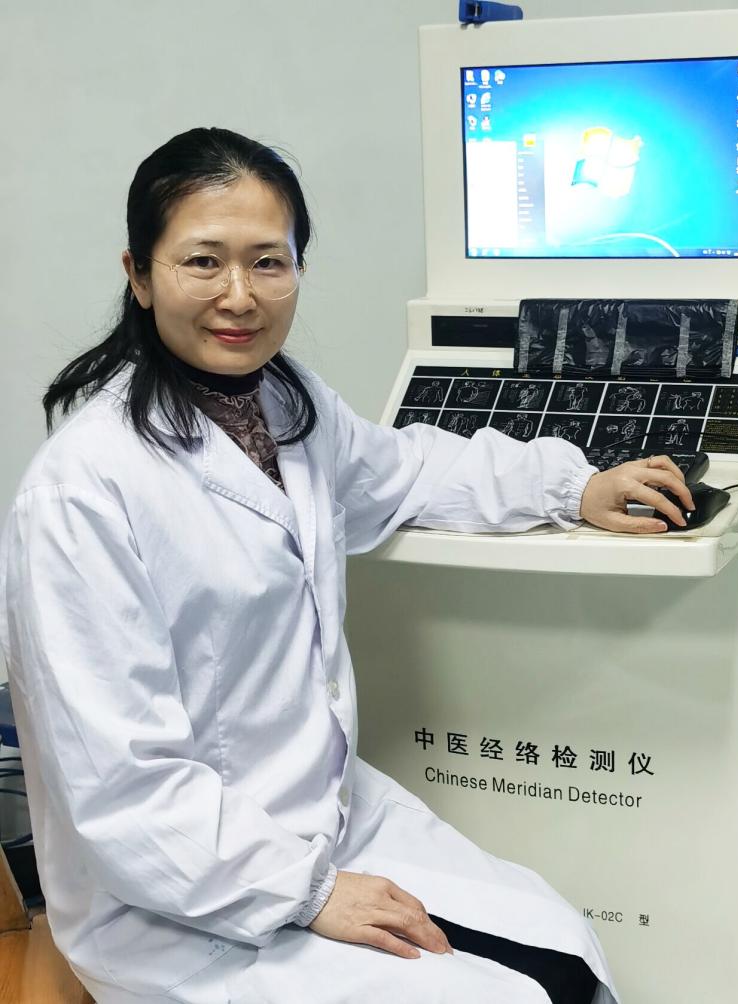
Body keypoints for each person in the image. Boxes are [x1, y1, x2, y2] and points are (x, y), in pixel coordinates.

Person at [0, 128, 693, 1004]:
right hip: (181, 890)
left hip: (323, 813)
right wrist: (310, 893)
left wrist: (573, 485)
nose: (239, 296)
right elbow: (123, 791)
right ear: (139, 275)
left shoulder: (286, 407)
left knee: (564, 946)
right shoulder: (83, 492)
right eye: (203, 261)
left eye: (269, 262)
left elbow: (408, 470)